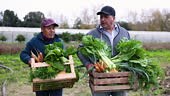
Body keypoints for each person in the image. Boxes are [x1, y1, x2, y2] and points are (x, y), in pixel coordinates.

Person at [77, 6, 130, 96]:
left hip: (119, 77)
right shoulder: (92, 34)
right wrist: (87, 64)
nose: (102, 19)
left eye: (106, 17)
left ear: (113, 18)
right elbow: (80, 50)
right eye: (101, 17)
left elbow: (129, 51)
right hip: (99, 76)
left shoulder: (124, 32)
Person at [20, 18, 63, 96]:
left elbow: (65, 56)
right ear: (42, 29)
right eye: (49, 28)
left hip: (57, 76)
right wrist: (29, 60)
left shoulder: (59, 41)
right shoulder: (34, 41)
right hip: (41, 76)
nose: (52, 30)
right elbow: (23, 54)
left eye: (53, 28)